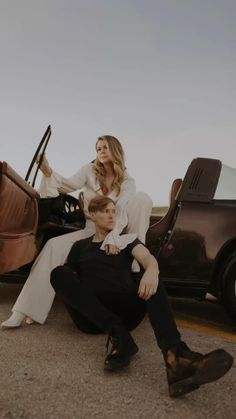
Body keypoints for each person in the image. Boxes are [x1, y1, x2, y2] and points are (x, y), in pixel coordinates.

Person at [50, 196, 233, 398]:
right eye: (104, 211)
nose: (111, 215)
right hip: (90, 318)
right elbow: (69, 280)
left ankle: (176, 358)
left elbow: (147, 259)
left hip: (126, 310)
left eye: (113, 211)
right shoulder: (79, 246)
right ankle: (118, 333)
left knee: (149, 280)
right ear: (92, 215)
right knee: (59, 273)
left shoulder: (127, 240)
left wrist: (152, 271)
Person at [1, 135, 153, 328]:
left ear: (116, 150)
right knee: (52, 246)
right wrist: (47, 170)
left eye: (105, 147)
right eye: (98, 148)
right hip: (90, 231)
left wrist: (114, 237)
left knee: (142, 199)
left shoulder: (128, 180)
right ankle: (21, 312)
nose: (101, 151)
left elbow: (122, 208)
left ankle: (135, 261)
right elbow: (67, 184)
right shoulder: (89, 170)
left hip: (118, 233)